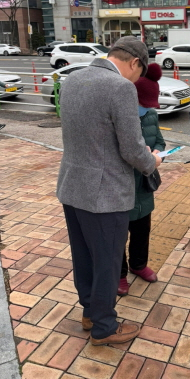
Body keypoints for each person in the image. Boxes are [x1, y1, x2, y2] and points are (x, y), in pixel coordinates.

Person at [57, 37, 162, 346]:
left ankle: (90, 312)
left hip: (72, 185)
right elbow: (131, 148)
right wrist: (151, 161)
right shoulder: (120, 88)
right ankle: (103, 326)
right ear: (134, 63)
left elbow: (90, 135)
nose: (136, 80)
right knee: (107, 260)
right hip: (106, 194)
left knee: (84, 257)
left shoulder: (73, 79)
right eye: (138, 73)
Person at [118, 63, 166, 296]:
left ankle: (138, 265)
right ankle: (119, 274)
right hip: (122, 185)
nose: (145, 109)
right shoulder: (119, 116)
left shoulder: (151, 115)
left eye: (148, 106)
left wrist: (157, 154)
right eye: (142, 105)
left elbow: (159, 141)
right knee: (118, 234)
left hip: (144, 184)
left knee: (142, 229)